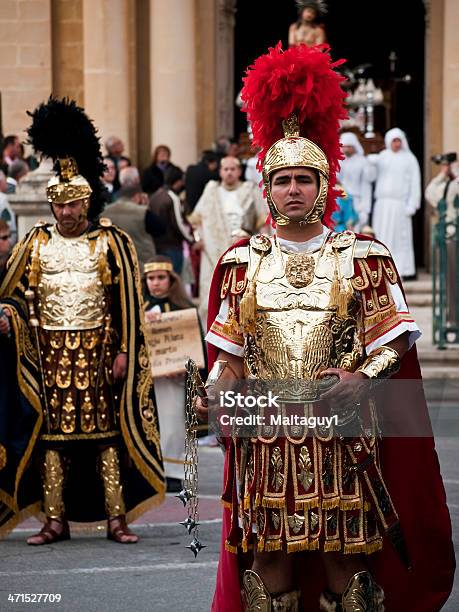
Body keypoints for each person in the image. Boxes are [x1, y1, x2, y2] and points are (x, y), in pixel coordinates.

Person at [196, 44, 454, 611]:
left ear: (324, 184)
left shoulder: (362, 256)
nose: (294, 189)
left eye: (305, 179)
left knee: (345, 560)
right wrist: (213, 392)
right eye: (283, 179)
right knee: (268, 562)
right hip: (266, 433)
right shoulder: (243, 262)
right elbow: (230, 356)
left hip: (342, 433)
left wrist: (364, 377)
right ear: (268, 186)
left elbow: (393, 342)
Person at [0, 97, 165, 544]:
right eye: (61, 207)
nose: (68, 213)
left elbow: (127, 306)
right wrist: (10, 320)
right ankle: (55, 520)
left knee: (106, 437)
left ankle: (117, 518)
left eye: (75, 206)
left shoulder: (111, 243)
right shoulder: (33, 244)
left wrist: (126, 351)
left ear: (87, 203)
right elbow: (11, 297)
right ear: (53, 207)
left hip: (97, 355)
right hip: (49, 358)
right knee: (53, 440)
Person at [188, 155, 267, 323]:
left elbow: (263, 222)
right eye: (226, 169)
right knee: (212, 298)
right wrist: (198, 239)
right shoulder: (211, 191)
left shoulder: (250, 190)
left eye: (233, 169)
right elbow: (197, 221)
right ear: (220, 172)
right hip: (213, 251)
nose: (229, 172)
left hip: (244, 252)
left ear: (239, 171)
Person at [143, 255, 199, 492]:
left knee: (174, 423)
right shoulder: (137, 309)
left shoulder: (184, 310)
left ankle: (174, 471)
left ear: (171, 279)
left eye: (160, 278)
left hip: (174, 380)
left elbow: (195, 348)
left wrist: (185, 369)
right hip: (146, 379)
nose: (155, 283)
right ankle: (149, 470)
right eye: (151, 278)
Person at [370, 128, 421, 279]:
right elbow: (371, 177)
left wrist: (413, 204)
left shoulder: (409, 159)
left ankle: (400, 271)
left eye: (399, 141)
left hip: (400, 205)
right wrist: (371, 162)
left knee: (399, 239)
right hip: (383, 205)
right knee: (381, 236)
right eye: (394, 141)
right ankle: (382, 271)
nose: (396, 144)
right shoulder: (382, 157)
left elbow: (415, 183)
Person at [103, 167, 164, 271]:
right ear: (137, 196)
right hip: (141, 263)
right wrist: (146, 207)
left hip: (114, 264)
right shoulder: (142, 212)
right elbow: (161, 230)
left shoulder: (106, 211)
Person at [425, 159, 459, 326]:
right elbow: (431, 193)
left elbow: (430, 192)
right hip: (452, 236)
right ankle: (453, 319)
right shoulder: (449, 186)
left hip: (453, 235)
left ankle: (453, 320)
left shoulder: (451, 186)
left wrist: (444, 175)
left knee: (453, 282)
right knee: (452, 282)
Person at [148, 166, 193, 275]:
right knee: (173, 280)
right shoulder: (173, 198)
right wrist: (191, 240)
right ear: (178, 181)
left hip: (157, 245)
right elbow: (178, 223)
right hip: (172, 245)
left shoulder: (155, 195)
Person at [337, 132, 375, 230]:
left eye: (349, 146)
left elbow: (366, 186)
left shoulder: (363, 162)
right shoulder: (338, 161)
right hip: (341, 201)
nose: (346, 149)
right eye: (344, 146)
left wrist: (365, 209)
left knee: (355, 232)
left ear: (355, 146)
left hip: (357, 202)